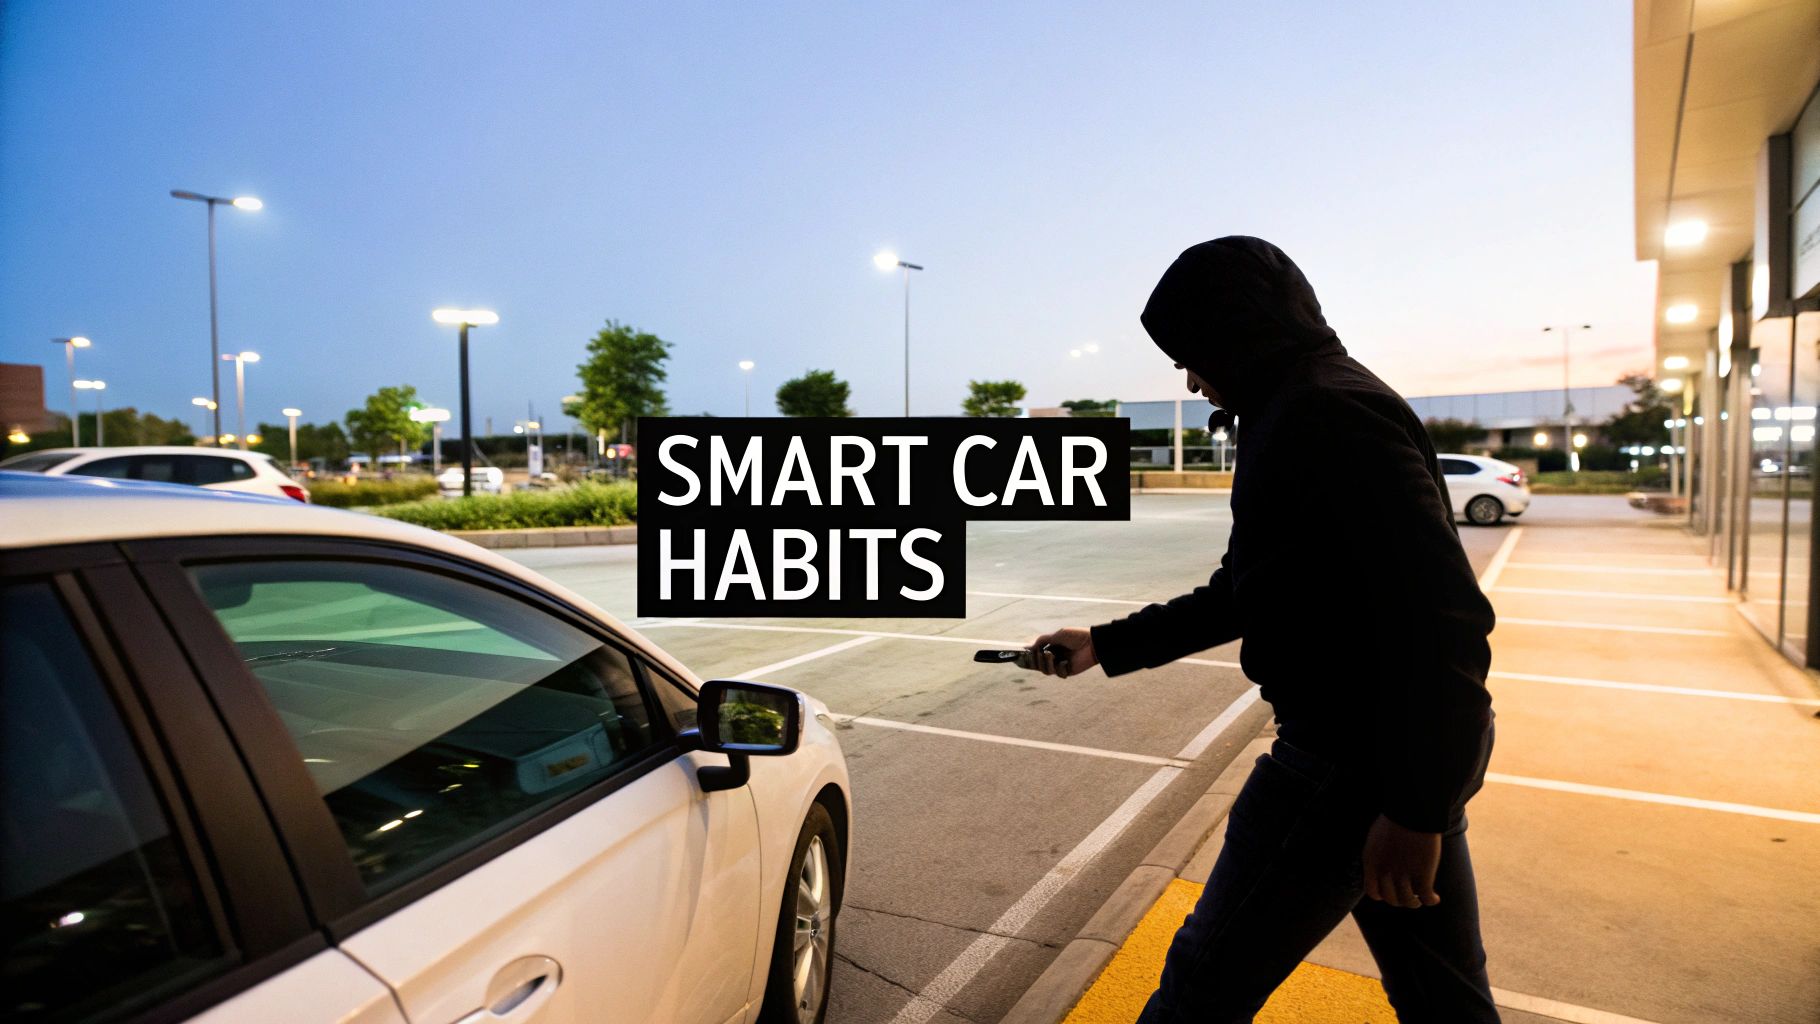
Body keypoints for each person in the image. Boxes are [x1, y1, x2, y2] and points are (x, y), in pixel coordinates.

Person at [1030, 236, 1500, 1023]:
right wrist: (1105, 643)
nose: (1190, 379)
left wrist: (1417, 811)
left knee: (1201, 990)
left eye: (1192, 356)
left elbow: (1444, 621)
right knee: (1443, 999)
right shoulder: (1303, 401)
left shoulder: (1326, 413)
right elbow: (1249, 590)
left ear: (1235, 333)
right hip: (1393, 758)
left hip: (1344, 766)